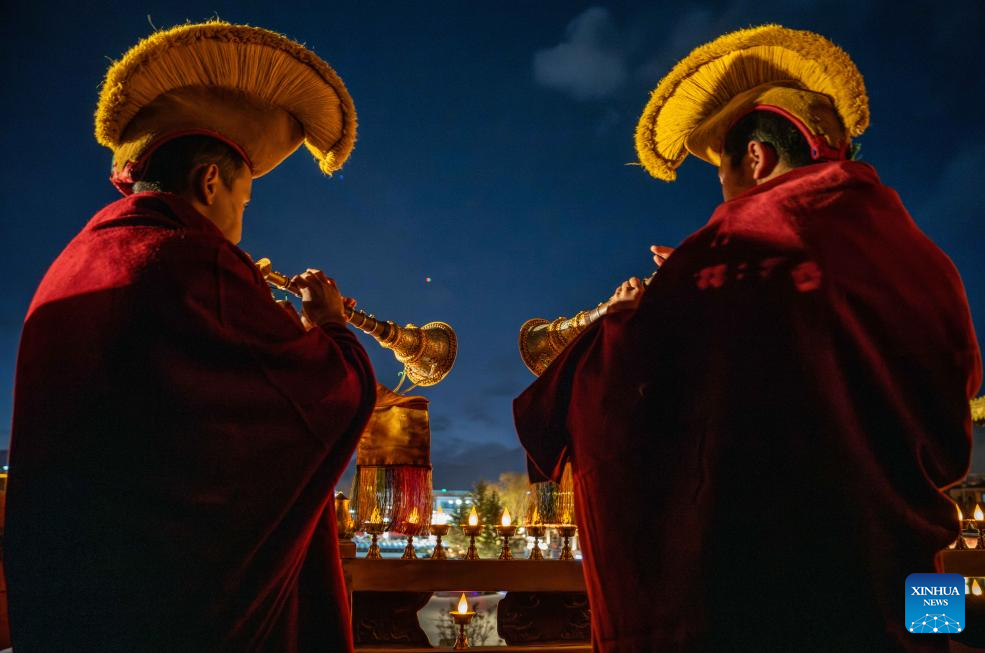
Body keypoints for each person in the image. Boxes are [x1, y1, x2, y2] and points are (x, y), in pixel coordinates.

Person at [515, 25, 981, 653]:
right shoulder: (930, 262)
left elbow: (632, 402)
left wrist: (626, 321)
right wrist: (717, 290)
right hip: (911, 600)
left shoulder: (729, 246)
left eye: (723, 177)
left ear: (756, 159)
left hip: (767, 610)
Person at [4, 22, 374, 652]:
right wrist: (329, 326)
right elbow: (329, 399)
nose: (239, 223)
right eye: (245, 199)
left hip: (70, 610)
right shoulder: (193, 262)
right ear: (209, 183)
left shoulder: (83, 255)